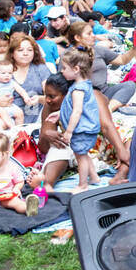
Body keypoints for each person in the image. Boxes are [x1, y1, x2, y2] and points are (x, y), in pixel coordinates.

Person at [57, 48, 102, 189]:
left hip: (81, 130)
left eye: (64, 68)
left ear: (76, 69)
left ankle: (82, 184)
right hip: (85, 129)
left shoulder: (78, 89)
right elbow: (73, 108)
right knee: (83, 154)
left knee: (80, 157)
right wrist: (59, 114)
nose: (62, 71)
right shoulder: (84, 84)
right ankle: (94, 177)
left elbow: (77, 111)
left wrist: (69, 131)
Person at [0, 133, 38, 216]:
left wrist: (16, 188)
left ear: (5, 154)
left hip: (7, 195)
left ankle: (28, 208)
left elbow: (19, 181)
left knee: (16, 202)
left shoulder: (11, 167)